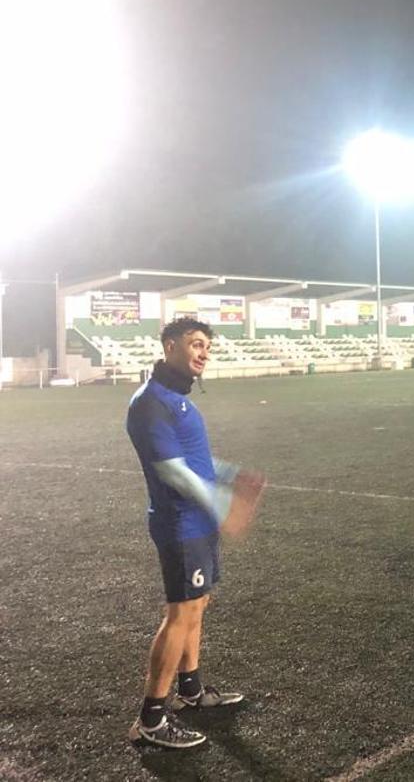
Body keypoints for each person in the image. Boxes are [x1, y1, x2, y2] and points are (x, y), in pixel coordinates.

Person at [125, 318, 266, 748]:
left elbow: (196, 461)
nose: (203, 353)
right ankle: (151, 719)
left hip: (197, 523)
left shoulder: (178, 400)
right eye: (195, 344)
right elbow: (172, 472)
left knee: (197, 605)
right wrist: (223, 505)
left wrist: (231, 473)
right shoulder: (150, 403)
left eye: (207, 346)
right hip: (181, 523)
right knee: (180, 614)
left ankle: (190, 692)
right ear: (170, 346)